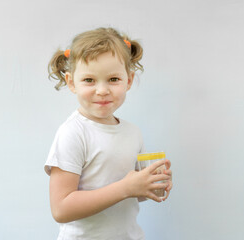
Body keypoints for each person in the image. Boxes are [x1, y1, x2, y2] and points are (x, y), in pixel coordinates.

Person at [44, 27, 173, 240]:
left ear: (129, 80)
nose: (102, 90)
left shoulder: (133, 133)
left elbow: (132, 194)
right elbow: (61, 209)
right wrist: (125, 187)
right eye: (89, 80)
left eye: (113, 79)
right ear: (71, 82)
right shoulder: (73, 133)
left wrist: (150, 185)